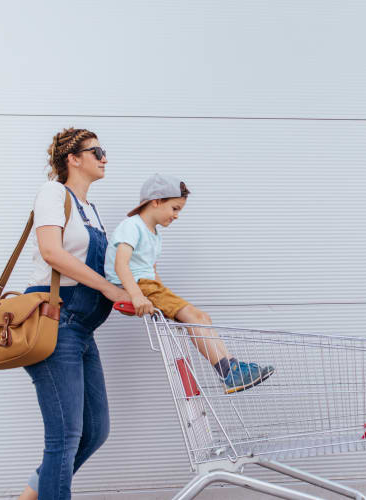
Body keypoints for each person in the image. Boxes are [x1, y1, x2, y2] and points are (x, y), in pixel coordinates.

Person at [18, 128, 130, 500]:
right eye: (97, 151)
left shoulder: (91, 212)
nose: (104, 158)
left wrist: (133, 291)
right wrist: (106, 287)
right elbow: (52, 252)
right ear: (73, 159)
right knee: (64, 437)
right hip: (57, 323)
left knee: (94, 431)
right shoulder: (53, 193)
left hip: (82, 330)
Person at [104, 173, 275, 394]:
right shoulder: (132, 225)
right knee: (195, 318)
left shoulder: (154, 234)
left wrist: (167, 299)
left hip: (150, 286)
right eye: (175, 208)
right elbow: (121, 264)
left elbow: (152, 270)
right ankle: (228, 373)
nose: (176, 216)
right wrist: (136, 295)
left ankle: (231, 364)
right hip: (137, 285)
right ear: (155, 201)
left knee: (202, 318)